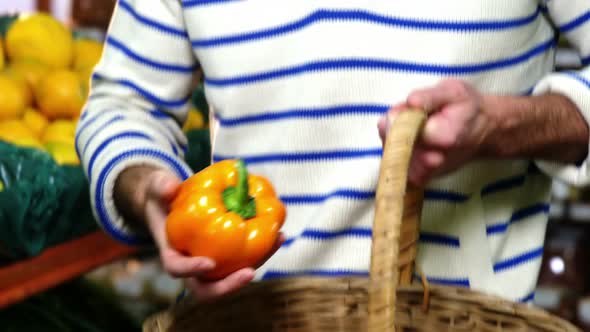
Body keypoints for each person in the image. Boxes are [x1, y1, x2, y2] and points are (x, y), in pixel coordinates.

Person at [76, 0, 590, 304]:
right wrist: (147, 190)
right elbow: (122, 105)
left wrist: (502, 127)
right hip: (246, 315)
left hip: (458, 315)